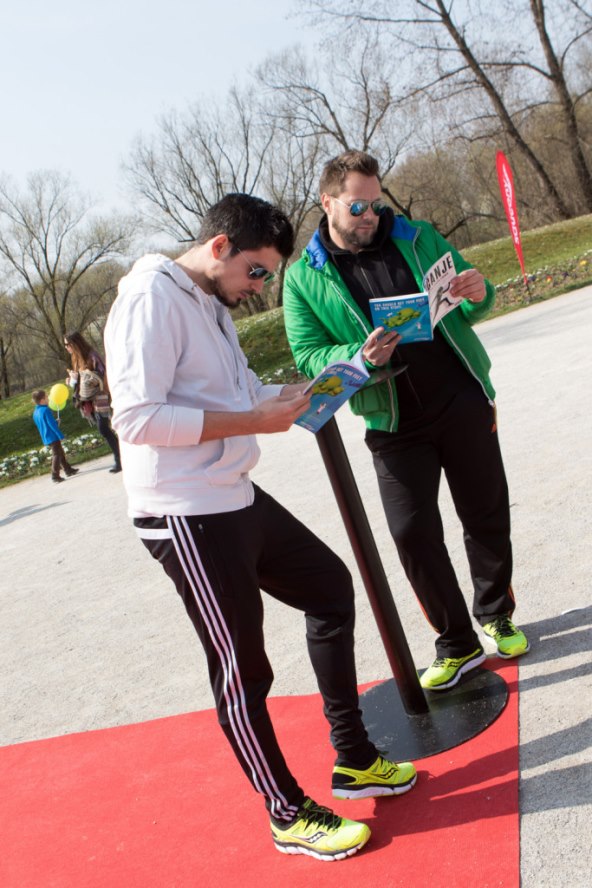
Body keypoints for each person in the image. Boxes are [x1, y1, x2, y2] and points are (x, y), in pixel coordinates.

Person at [104, 193, 417, 861]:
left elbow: (243, 397)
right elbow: (134, 419)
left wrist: (340, 375)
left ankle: (354, 757)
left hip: (232, 493)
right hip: (184, 512)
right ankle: (286, 814)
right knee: (242, 670)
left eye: (268, 276)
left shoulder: (210, 304)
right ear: (219, 247)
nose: (261, 287)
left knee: (330, 588)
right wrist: (254, 421)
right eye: (257, 273)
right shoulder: (150, 298)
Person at [283, 150, 530, 694]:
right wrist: (359, 352)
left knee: (485, 511)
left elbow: (473, 298)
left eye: (375, 203)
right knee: (411, 533)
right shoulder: (303, 278)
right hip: (391, 420)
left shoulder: (417, 236)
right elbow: (306, 354)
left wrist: (477, 292)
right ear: (327, 203)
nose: (370, 214)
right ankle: (457, 643)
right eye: (357, 206)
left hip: (460, 398)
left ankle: (496, 615)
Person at [64, 331, 122, 473]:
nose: (66, 347)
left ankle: (119, 459)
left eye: (67, 344)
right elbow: (81, 380)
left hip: (101, 396)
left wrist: (81, 377)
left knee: (104, 428)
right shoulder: (75, 358)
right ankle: (121, 457)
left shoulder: (91, 356)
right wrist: (73, 380)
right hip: (89, 399)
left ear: (75, 344)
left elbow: (102, 374)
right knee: (105, 429)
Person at [32, 389, 79, 483]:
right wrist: (60, 435)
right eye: (46, 397)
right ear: (42, 400)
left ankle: (68, 470)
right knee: (56, 455)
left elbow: (44, 424)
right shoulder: (45, 410)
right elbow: (52, 425)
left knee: (60, 453)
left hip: (46, 436)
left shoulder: (35, 412)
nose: (48, 398)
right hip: (52, 436)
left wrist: (55, 422)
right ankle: (55, 475)